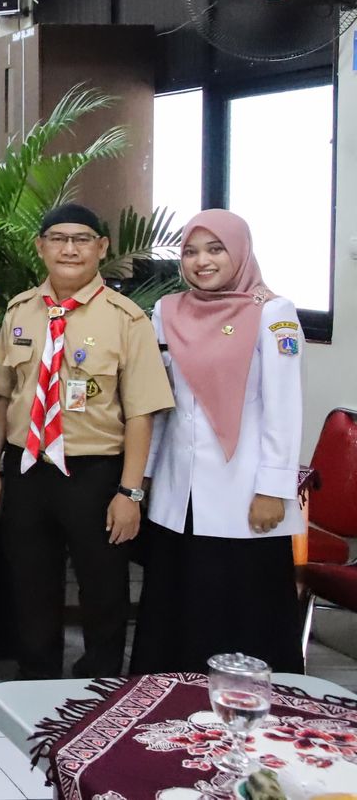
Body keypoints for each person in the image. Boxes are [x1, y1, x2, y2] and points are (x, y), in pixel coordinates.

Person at [0, 204, 175, 679]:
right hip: (27, 466)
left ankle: (100, 680)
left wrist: (130, 493)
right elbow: (2, 397)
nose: (69, 249)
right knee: (30, 582)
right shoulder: (20, 311)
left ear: (102, 248)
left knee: (103, 585)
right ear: (40, 247)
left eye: (82, 239)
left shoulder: (127, 319)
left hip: (95, 472)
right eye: (58, 238)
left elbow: (142, 412)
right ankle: (37, 677)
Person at [131, 210, 306, 674]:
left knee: (241, 606)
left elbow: (285, 408)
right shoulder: (167, 311)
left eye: (215, 249)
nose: (201, 261)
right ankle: (170, 695)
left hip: (242, 492)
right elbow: (160, 402)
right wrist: (144, 475)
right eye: (190, 251)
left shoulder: (272, 313)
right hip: (178, 489)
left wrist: (273, 488)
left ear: (240, 252)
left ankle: (246, 700)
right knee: (178, 604)